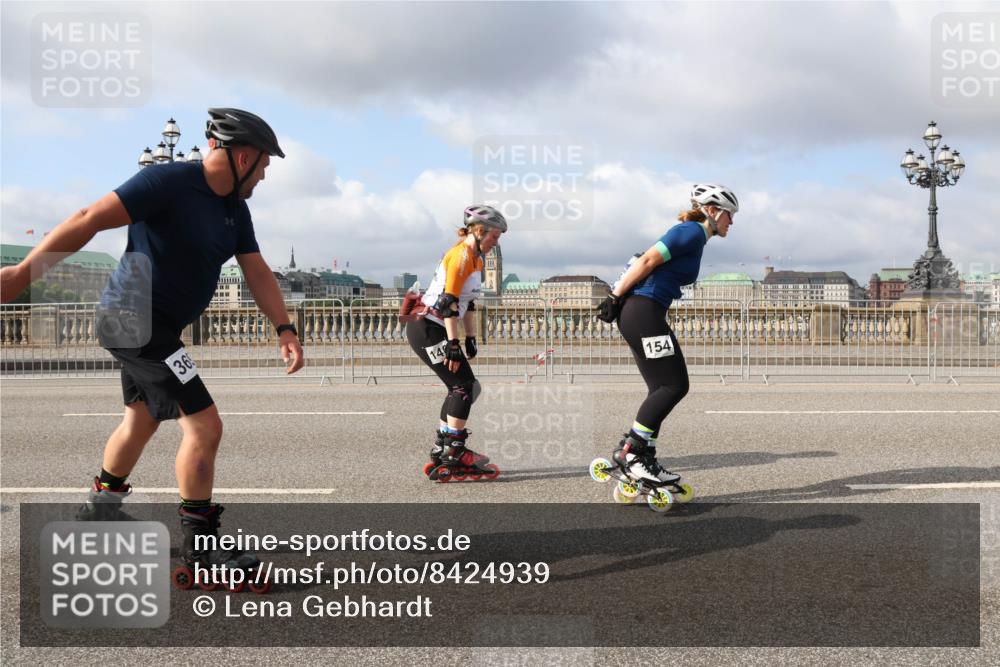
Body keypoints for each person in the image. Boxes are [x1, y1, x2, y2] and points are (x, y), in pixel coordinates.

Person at [0, 107, 304, 577]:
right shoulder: (167, 182)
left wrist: (284, 327)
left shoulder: (234, 210)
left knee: (140, 422)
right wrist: (24, 273)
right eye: (264, 164)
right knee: (205, 426)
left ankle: (99, 515)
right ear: (243, 156)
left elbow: (257, 270)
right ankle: (200, 549)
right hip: (134, 321)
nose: (265, 174)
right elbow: (89, 218)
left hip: (156, 326)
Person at [595, 183, 739, 498]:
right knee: (674, 386)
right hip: (642, 312)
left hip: (646, 314)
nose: (732, 222)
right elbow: (646, 261)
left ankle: (642, 456)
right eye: (730, 214)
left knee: (661, 389)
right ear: (712, 211)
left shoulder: (696, 238)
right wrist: (614, 297)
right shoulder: (689, 232)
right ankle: (632, 453)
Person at [405, 205, 506, 482]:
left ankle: (443, 445)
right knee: (464, 387)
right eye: (495, 237)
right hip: (428, 327)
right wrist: (453, 343)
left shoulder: (477, 259)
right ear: (479, 231)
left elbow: (468, 303)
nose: (496, 243)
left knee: (460, 387)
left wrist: (471, 337)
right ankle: (455, 451)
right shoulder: (460, 256)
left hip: (436, 327)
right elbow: (448, 303)